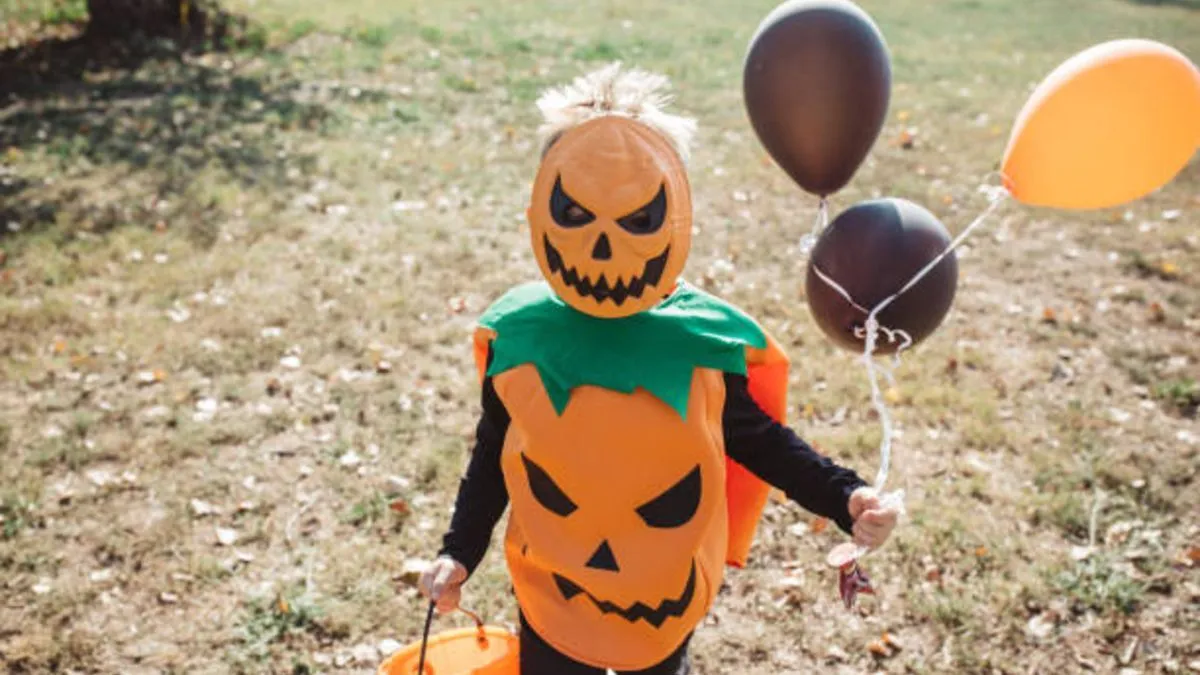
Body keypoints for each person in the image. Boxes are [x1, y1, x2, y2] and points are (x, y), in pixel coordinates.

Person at [417, 63, 899, 675]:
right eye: (577, 212)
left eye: (638, 220)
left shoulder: (697, 344)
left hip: (660, 592)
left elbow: (758, 440)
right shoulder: (521, 339)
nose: (603, 247)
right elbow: (494, 455)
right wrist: (458, 553)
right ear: (544, 207)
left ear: (671, 213)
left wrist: (843, 495)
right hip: (552, 590)